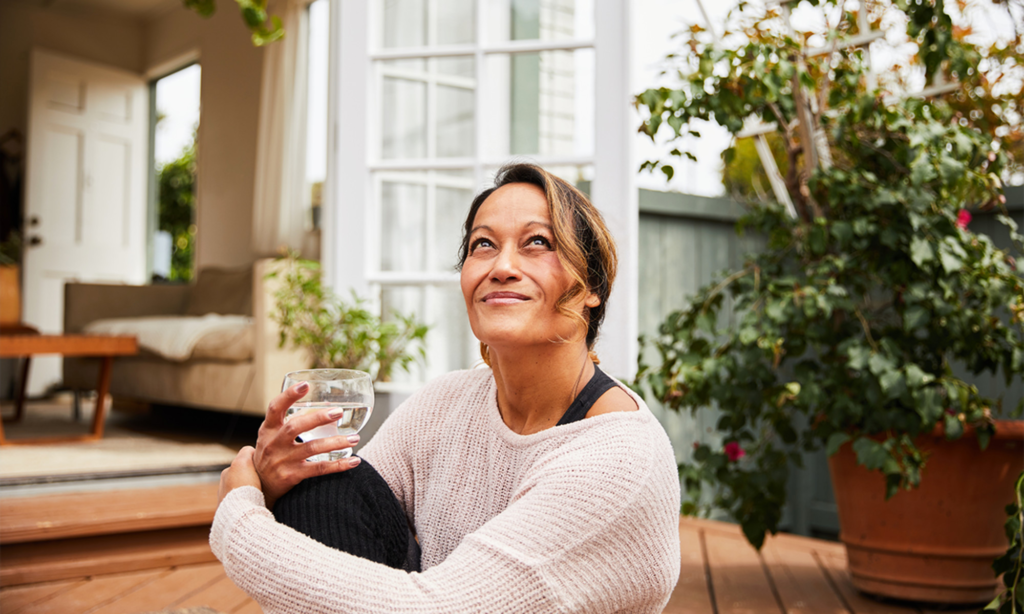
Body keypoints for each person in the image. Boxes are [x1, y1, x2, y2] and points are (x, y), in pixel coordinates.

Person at [212, 163, 681, 613]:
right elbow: (340, 517)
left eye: (538, 242)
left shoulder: (619, 462)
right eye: (483, 245)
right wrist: (279, 483)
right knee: (323, 480)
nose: (503, 266)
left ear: (592, 285)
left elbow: (441, 608)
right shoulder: (446, 403)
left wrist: (243, 521)